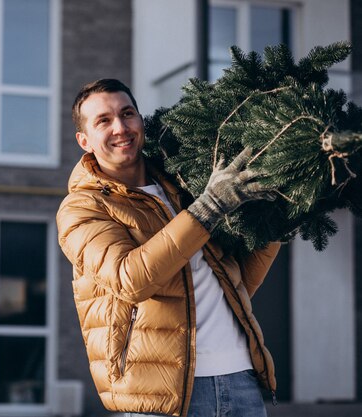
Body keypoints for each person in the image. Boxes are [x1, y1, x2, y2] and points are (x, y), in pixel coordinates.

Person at [56, 78, 281, 417]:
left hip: (241, 378)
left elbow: (236, 285)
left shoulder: (183, 183)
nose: (120, 127)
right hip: (162, 395)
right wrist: (210, 206)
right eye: (104, 120)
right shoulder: (82, 208)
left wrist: (277, 226)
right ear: (84, 141)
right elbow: (131, 279)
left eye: (127, 113)